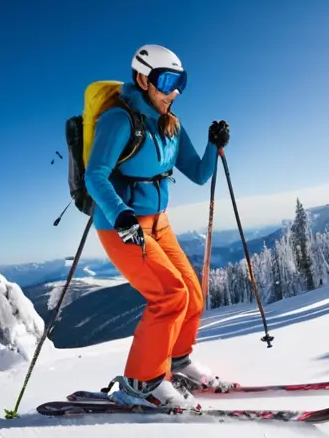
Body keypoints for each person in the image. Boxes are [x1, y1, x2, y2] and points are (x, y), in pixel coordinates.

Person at [83, 44, 232, 408]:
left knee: (191, 294)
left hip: (158, 223)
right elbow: (95, 176)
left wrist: (214, 145)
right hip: (122, 224)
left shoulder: (171, 126)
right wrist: (121, 214)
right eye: (166, 81)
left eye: (180, 82)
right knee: (169, 294)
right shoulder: (119, 119)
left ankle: (177, 361)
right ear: (142, 78)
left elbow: (198, 173)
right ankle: (141, 382)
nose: (174, 91)